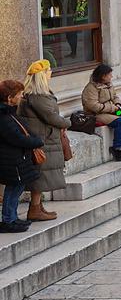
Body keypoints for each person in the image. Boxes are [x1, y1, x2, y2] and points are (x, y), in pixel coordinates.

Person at [19, 61, 67, 222]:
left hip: (41, 138)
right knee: (40, 176)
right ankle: (34, 209)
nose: (51, 72)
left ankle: (37, 207)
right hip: (43, 140)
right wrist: (67, 123)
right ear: (42, 76)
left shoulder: (31, 95)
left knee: (40, 175)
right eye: (48, 70)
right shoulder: (39, 97)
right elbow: (52, 117)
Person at [0, 80, 44, 233]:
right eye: (18, 94)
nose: (21, 97)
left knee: (17, 188)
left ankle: (12, 217)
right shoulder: (3, 117)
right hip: (10, 161)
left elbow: (23, 130)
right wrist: (36, 141)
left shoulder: (9, 113)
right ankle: (7, 220)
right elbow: (16, 138)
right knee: (12, 190)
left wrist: (34, 139)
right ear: (9, 97)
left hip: (17, 160)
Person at [82, 63, 121, 161]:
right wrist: (112, 108)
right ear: (103, 76)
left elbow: (115, 96)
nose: (111, 77)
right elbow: (93, 105)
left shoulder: (109, 84)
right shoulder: (91, 88)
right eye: (110, 75)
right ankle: (116, 149)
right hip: (96, 114)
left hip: (110, 111)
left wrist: (118, 105)